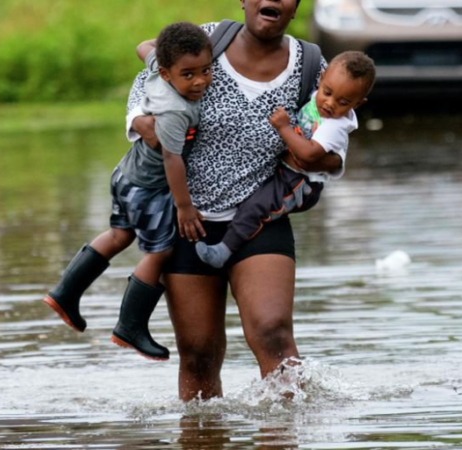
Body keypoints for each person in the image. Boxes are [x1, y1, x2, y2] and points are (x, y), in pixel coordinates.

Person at [127, 0, 343, 401]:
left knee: (272, 331)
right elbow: (146, 83)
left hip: (260, 217)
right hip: (188, 220)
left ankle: (287, 433)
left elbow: (336, 137)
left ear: (295, 7)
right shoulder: (206, 37)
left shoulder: (314, 66)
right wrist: (141, 122)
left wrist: (322, 158)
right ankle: (202, 438)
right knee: (197, 353)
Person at [43, 22, 213, 361]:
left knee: (120, 234)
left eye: (206, 70)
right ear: (167, 75)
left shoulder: (158, 67)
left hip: (125, 175)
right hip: (149, 188)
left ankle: (65, 293)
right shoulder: (175, 110)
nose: (200, 81)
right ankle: (130, 326)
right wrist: (183, 207)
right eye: (188, 74)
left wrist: (161, 49)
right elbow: (171, 158)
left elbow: (142, 46)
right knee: (160, 251)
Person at [196, 51, 376, 268]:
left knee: (257, 207)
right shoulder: (315, 96)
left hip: (300, 183)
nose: (330, 103)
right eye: (327, 92)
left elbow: (308, 155)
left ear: (357, 104)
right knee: (250, 198)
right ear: (321, 78)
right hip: (286, 173)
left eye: (343, 102)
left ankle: (223, 251)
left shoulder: (335, 126)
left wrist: (283, 128)